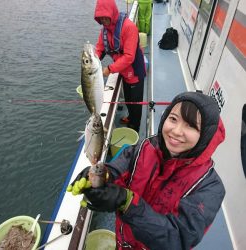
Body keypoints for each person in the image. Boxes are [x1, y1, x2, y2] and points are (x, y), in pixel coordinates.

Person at [67, 91, 226, 249]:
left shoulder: (210, 188)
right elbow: (117, 170)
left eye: (191, 126)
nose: (176, 131)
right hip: (123, 241)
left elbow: (177, 239)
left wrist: (127, 202)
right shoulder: (144, 148)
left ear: (206, 135)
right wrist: (100, 176)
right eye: (173, 119)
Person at [94, 0, 146, 132]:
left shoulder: (129, 27)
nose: (104, 20)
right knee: (128, 99)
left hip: (135, 72)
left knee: (135, 103)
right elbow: (100, 48)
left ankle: (135, 126)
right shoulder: (105, 31)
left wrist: (109, 69)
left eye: (106, 16)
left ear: (113, 13)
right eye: (101, 17)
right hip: (123, 71)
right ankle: (130, 117)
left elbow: (129, 57)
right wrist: (92, 59)